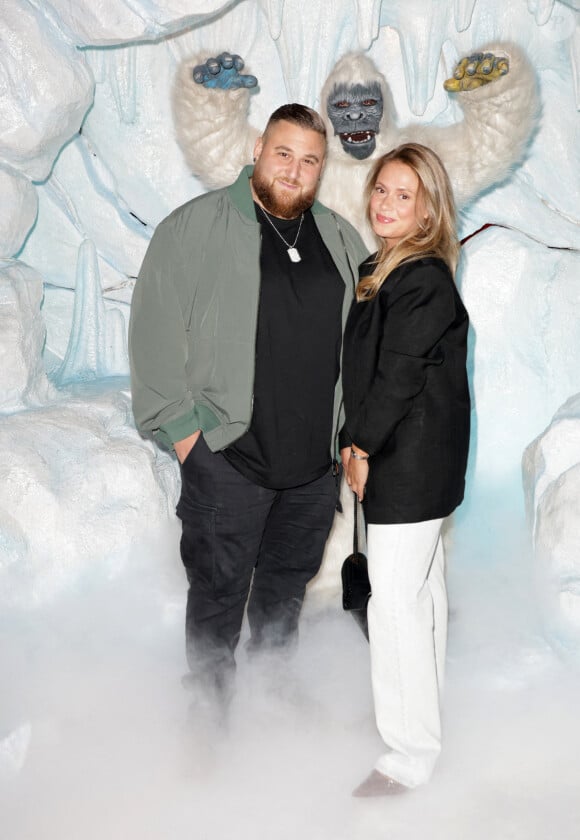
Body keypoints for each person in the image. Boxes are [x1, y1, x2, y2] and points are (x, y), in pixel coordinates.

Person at [128, 104, 368, 717]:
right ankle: (209, 714)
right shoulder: (194, 227)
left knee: (286, 591)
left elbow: (359, 347)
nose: (294, 170)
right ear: (259, 148)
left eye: (310, 160)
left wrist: (347, 440)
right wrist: (188, 440)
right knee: (217, 594)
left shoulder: (340, 238)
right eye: (283, 153)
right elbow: (154, 336)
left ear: (322, 168)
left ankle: (273, 691)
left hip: (314, 469)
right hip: (228, 458)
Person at [340, 143, 470, 795]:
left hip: (408, 463)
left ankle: (410, 751)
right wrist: (353, 437)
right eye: (381, 190)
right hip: (414, 459)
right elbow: (371, 373)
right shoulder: (385, 267)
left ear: (427, 212)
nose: (386, 204)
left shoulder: (420, 278)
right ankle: (421, 714)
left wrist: (359, 446)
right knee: (419, 596)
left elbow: (396, 378)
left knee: (395, 602)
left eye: (403, 195)